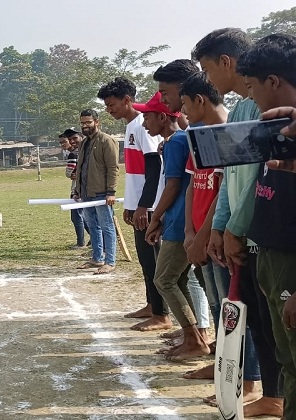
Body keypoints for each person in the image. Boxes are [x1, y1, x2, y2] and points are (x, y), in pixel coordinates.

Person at [189, 31, 272, 410]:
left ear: (227, 62)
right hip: (238, 233)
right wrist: (221, 226)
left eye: (207, 69)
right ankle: (264, 391)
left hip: (258, 233)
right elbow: (229, 180)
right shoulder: (240, 110)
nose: (207, 79)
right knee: (252, 317)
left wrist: (236, 228)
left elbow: (256, 178)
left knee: (268, 323)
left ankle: (272, 395)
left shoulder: (264, 107)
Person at [239, 33, 296, 418]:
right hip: (273, 256)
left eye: (253, 88)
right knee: (286, 359)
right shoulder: (277, 130)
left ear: (273, 82)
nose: (251, 98)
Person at [136, 92, 209, 362]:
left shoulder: (177, 142)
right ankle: (194, 335)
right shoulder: (174, 141)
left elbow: (174, 185)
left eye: (147, 117)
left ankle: (195, 338)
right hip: (178, 219)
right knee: (177, 278)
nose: (144, 124)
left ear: (163, 117)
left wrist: (157, 218)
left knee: (163, 278)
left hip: (181, 221)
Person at [98, 78, 169, 331]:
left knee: (153, 259)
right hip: (139, 204)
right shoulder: (130, 127)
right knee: (144, 259)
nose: (109, 110)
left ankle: (162, 314)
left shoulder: (143, 125)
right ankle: (152, 304)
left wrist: (144, 206)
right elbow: (134, 174)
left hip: (150, 206)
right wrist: (130, 204)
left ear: (127, 99)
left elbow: (153, 168)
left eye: (112, 104)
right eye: (106, 106)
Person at [73, 109, 119, 274]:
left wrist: (111, 191)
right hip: (86, 193)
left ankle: (110, 261)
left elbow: (113, 168)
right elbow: (81, 167)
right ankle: (97, 258)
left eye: (88, 122)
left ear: (97, 122)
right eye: (83, 123)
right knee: (93, 226)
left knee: (107, 226)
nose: (85, 126)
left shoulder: (107, 141)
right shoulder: (85, 142)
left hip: (102, 193)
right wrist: (77, 190)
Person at [59, 129, 88, 249]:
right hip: (83, 187)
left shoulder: (73, 154)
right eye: (61, 143)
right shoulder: (80, 152)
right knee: (84, 215)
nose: (63, 145)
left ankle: (81, 242)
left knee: (77, 216)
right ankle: (94, 239)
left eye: (65, 141)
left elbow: (69, 173)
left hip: (77, 189)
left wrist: (72, 174)